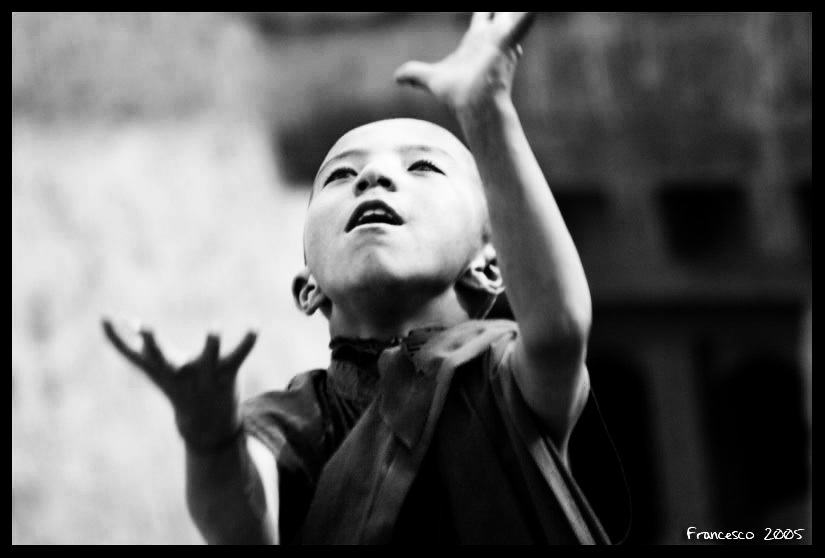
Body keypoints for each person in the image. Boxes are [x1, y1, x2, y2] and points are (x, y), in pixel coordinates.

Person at [103, 12, 629, 544]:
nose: (373, 177)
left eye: (422, 167)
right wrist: (211, 441)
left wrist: (486, 111)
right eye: (341, 175)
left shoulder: (497, 378)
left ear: (491, 267)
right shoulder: (290, 423)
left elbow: (558, 330)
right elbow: (241, 530)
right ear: (309, 287)